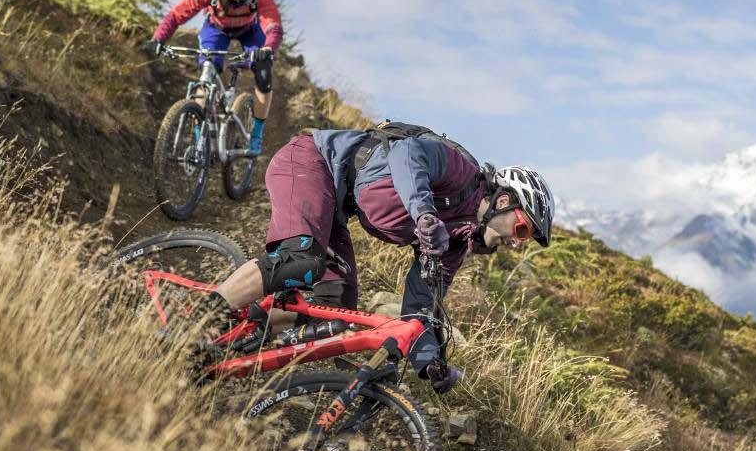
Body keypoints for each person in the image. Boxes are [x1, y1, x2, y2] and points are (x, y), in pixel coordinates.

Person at [198, 123, 555, 392]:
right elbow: (406, 154)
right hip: (311, 161)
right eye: (523, 230)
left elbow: (419, 308)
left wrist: (429, 362)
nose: (519, 243)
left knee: (336, 305)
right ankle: (199, 317)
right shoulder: (461, 172)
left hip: (338, 206)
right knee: (302, 260)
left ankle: (234, 330)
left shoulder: (454, 245)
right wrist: (424, 214)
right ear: (504, 202)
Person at [146, 0, 282, 154]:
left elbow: (273, 26)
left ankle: (256, 135)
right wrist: (158, 38)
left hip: (248, 31)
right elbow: (177, 15)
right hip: (216, 29)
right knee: (206, 73)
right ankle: (200, 133)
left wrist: (267, 49)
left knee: (263, 73)